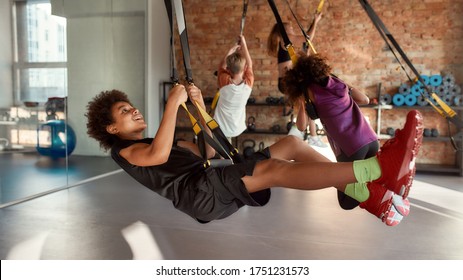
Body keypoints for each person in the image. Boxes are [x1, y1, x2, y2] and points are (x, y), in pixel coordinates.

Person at [85, 84, 423, 226]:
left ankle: (366, 195)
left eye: (131, 107)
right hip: (202, 195)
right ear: (112, 129)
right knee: (274, 169)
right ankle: (375, 169)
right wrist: (173, 104)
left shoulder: (145, 144)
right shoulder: (125, 151)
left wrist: (200, 108)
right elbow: (157, 156)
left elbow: (205, 149)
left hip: (209, 178)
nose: (134, 111)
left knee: (290, 145)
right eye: (125, 111)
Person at [282, 53, 413, 220]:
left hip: (351, 148)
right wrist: (346, 88)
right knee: (368, 181)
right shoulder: (336, 81)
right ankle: (392, 196)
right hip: (371, 140)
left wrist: (302, 102)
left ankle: (388, 199)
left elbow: (301, 126)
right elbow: (364, 99)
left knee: (346, 200)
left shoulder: (308, 93)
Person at [267, 12, 326, 148]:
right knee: (308, 104)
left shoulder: (286, 44)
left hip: (286, 82)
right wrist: (315, 21)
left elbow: (303, 48)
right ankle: (306, 135)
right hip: (287, 83)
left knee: (309, 104)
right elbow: (308, 38)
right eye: (291, 28)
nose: (293, 30)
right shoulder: (285, 39)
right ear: (285, 31)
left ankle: (310, 135)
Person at [213, 34, 253, 142]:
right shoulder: (248, 84)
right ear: (244, 69)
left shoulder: (224, 81)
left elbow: (221, 65)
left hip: (221, 126)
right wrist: (244, 44)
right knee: (227, 151)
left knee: (223, 154)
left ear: (228, 70)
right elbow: (250, 64)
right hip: (236, 127)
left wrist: (232, 48)